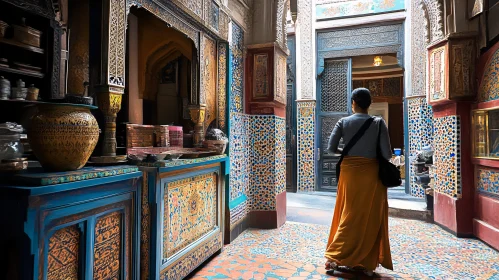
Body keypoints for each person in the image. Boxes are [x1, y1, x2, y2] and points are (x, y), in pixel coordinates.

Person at [324, 88, 393, 277]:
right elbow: (387, 154)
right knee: (369, 217)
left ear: (353, 102)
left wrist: (347, 153)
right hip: (372, 174)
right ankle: (364, 262)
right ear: (369, 104)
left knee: (348, 213)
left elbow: (331, 149)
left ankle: (336, 256)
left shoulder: (343, 122)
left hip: (350, 172)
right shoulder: (379, 123)